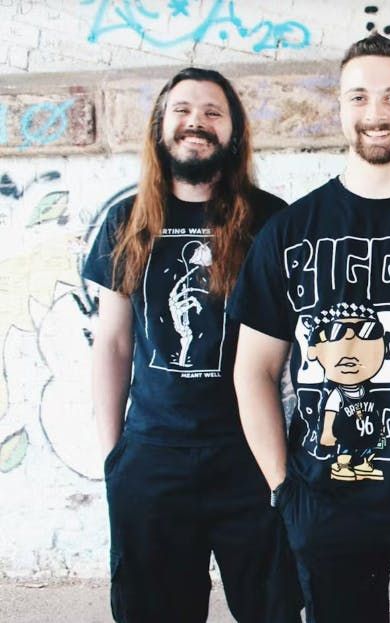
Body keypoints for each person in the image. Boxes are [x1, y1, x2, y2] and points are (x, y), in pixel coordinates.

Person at [228, 34, 390, 623]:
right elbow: (254, 371)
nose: (376, 112)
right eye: (360, 97)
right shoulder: (290, 232)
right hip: (326, 505)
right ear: (340, 107)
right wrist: (283, 488)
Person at [84, 67, 298, 622]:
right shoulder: (127, 220)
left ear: (233, 132)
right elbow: (113, 343)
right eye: (182, 110)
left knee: (272, 607)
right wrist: (114, 458)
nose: (195, 122)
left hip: (250, 453)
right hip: (152, 456)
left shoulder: (271, 220)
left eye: (211, 112)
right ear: (160, 126)